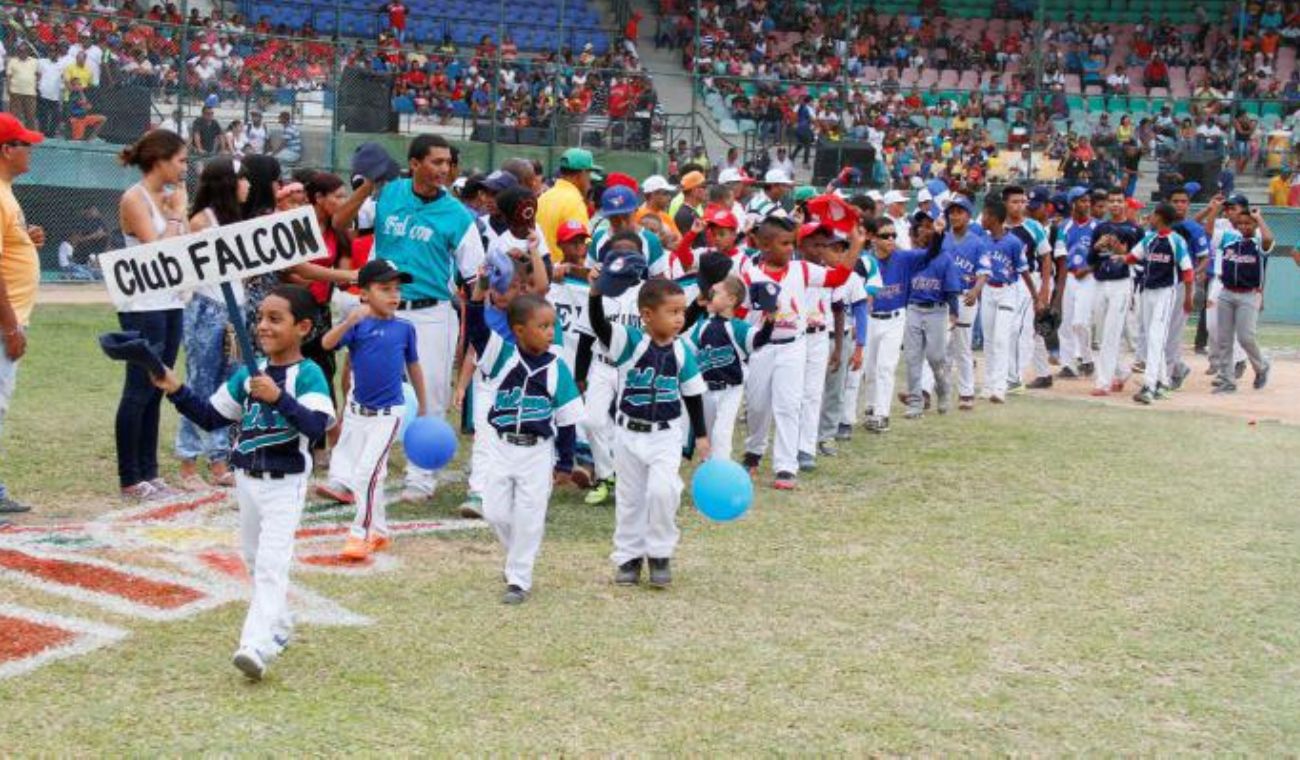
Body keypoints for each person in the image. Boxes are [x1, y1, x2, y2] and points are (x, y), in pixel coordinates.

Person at [153, 285, 336, 681]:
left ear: (303, 327)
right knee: (254, 561)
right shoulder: (247, 375)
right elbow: (210, 417)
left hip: (285, 483)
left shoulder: (308, 374)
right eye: (260, 318)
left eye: (275, 319)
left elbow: (315, 426)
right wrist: (175, 389)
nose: (263, 326)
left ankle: (254, 645)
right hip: (246, 481)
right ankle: (280, 624)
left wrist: (278, 398)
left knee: (271, 565)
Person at [333, 135, 484, 502]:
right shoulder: (389, 193)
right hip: (381, 309)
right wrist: (367, 185)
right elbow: (342, 222)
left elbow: (474, 276)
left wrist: (479, 325)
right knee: (362, 392)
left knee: (430, 394)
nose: (444, 169)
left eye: (447, 162)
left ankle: (421, 478)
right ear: (414, 164)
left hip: (431, 312)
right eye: (436, 162)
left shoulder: (457, 214)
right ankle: (346, 475)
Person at [586, 252, 709, 588]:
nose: (680, 319)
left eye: (682, 312)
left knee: (663, 491)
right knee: (630, 499)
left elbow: (692, 394)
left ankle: (659, 553)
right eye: (673, 312)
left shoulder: (681, 350)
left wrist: (701, 435)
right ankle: (628, 558)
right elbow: (599, 325)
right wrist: (595, 293)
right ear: (647, 315)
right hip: (628, 434)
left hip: (665, 435)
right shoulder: (629, 341)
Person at [464, 274, 582, 604]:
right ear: (518, 330)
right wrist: (478, 292)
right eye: (542, 326)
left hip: (537, 453)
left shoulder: (557, 368)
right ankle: (516, 557)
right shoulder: (501, 356)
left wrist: (565, 463)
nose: (550, 332)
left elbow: (568, 421)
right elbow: (476, 328)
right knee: (494, 512)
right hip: (502, 447)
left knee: (529, 517)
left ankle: (518, 579)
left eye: (551, 326)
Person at [320, 260, 426, 560]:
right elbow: (326, 344)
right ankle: (379, 531)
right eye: (385, 289)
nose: (394, 295)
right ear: (364, 294)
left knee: (366, 474)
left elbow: (414, 366)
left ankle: (359, 534)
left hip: (388, 415)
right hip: (357, 414)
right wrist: (348, 322)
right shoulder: (358, 325)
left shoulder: (405, 328)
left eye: (397, 289)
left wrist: (424, 405)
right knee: (369, 477)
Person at [741, 215, 852, 487]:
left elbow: (837, 277)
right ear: (764, 246)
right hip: (761, 347)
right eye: (784, 243)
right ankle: (754, 451)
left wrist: (857, 245)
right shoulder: (750, 275)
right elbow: (740, 312)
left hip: (793, 345)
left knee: (788, 405)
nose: (790, 248)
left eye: (792, 243)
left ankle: (786, 466)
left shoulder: (800, 269)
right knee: (757, 405)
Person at [115, 129, 189, 502]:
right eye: (181, 160)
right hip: (143, 306)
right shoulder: (135, 198)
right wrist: (175, 216)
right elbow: (158, 252)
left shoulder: (170, 197)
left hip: (171, 302)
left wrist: (178, 212)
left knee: (160, 386)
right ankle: (130, 477)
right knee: (138, 389)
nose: (185, 168)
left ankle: (150, 472)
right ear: (160, 160)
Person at [175, 157, 247, 491]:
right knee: (200, 383)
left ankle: (219, 460)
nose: (247, 185)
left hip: (237, 310)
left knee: (229, 385)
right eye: (242, 178)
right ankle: (188, 463)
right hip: (207, 308)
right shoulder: (202, 221)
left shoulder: (238, 220)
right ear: (227, 183)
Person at [0, 112, 43, 518]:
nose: (31, 150)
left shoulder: (6, 192)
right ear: (6, 149)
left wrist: (25, 243)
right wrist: (11, 326)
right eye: (24, 144)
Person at [684, 275, 773, 462]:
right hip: (705, 389)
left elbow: (759, 340)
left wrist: (770, 321)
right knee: (708, 434)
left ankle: (721, 468)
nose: (710, 296)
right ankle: (709, 468)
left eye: (715, 293)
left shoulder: (738, 327)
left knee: (721, 433)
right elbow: (688, 353)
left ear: (731, 300)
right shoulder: (702, 326)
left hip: (730, 390)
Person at [1123, 202, 1194, 404]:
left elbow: (1187, 271)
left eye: (1153, 214)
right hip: (1147, 292)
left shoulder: (1176, 241)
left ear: (1160, 217)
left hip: (1165, 293)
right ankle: (1162, 383)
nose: (1150, 217)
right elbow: (1132, 257)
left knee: (1155, 337)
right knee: (1151, 337)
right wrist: (1115, 254)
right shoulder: (1149, 238)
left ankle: (1149, 386)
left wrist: (1188, 298)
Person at [964, 198, 1034, 404]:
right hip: (988, 290)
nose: (982, 218)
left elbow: (1024, 271)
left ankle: (999, 387)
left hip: (1007, 290)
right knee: (988, 339)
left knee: (1001, 339)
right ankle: (988, 385)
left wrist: (1036, 296)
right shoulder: (982, 240)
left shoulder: (1013, 242)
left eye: (985, 215)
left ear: (994, 218)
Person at [902, 213, 962, 418]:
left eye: (928, 227)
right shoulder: (911, 257)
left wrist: (954, 312)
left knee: (936, 357)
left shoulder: (944, 257)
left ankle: (943, 389)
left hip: (937, 310)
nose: (924, 231)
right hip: (913, 308)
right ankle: (915, 403)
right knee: (912, 358)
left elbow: (951, 289)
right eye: (921, 228)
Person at [1086, 189, 1142, 395]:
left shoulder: (1134, 230)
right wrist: (1096, 247)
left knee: (1111, 333)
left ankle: (1103, 382)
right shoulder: (1100, 228)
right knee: (1101, 333)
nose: (1115, 204)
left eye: (1119, 201)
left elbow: (1141, 260)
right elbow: (1090, 260)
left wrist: (1123, 253)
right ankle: (1122, 371)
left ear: (1125, 204)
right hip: (1100, 281)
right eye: (1112, 201)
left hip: (1122, 282)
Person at [1212, 209, 1273, 394]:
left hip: (1249, 295)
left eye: (1248, 223)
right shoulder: (1230, 241)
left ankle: (1262, 367)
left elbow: (1268, 239)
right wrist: (1214, 209)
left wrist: (1259, 217)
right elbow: (1208, 232)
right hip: (1226, 293)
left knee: (1246, 337)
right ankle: (1227, 380)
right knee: (1224, 339)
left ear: (1254, 225)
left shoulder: (1258, 243)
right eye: (1241, 223)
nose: (1244, 226)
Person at [938, 197, 982, 410]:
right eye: (952, 212)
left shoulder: (977, 242)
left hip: (965, 296)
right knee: (939, 346)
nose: (954, 216)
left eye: (959, 212)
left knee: (962, 347)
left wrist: (976, 289)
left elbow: (984, 271)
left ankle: (966, 392)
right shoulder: (942, 239)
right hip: (943, 296)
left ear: (968, 215)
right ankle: (933, 391)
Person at [1054, 188, 1098, 379]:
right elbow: (1061, 258)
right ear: (1073, 204)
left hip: (1089, 277)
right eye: (1082, 201)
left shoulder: (1097, 226)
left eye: (1088, 201)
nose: (1087, 204)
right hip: (1070, 276)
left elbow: (1103, 256)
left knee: (1081, 322)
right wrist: (1060, 287)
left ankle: (1087, 358)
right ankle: (1068, 365)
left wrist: (1087, 269)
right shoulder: (1064, 227)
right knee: (1065, 323)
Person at [537, 148, 595, 260]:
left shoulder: (543, 198)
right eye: (589, 174)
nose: (589, 180)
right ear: (581, 175)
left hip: (541, 267)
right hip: (564, 269)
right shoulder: (575, 203)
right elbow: (579, 251)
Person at [5, 46, 38, 130]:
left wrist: (35, 84)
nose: (22, 52)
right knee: (14, 117)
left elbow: (39, 74)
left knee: (30, 117)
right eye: (20, 51)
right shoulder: (12, 61)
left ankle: (29, 135)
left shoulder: (34, 61)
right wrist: (8, 88)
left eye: (24, 51)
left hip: (30, 93)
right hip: (15, 93)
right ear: (17, 52)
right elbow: (8, 76)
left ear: (28, 52)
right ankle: (13, 134)